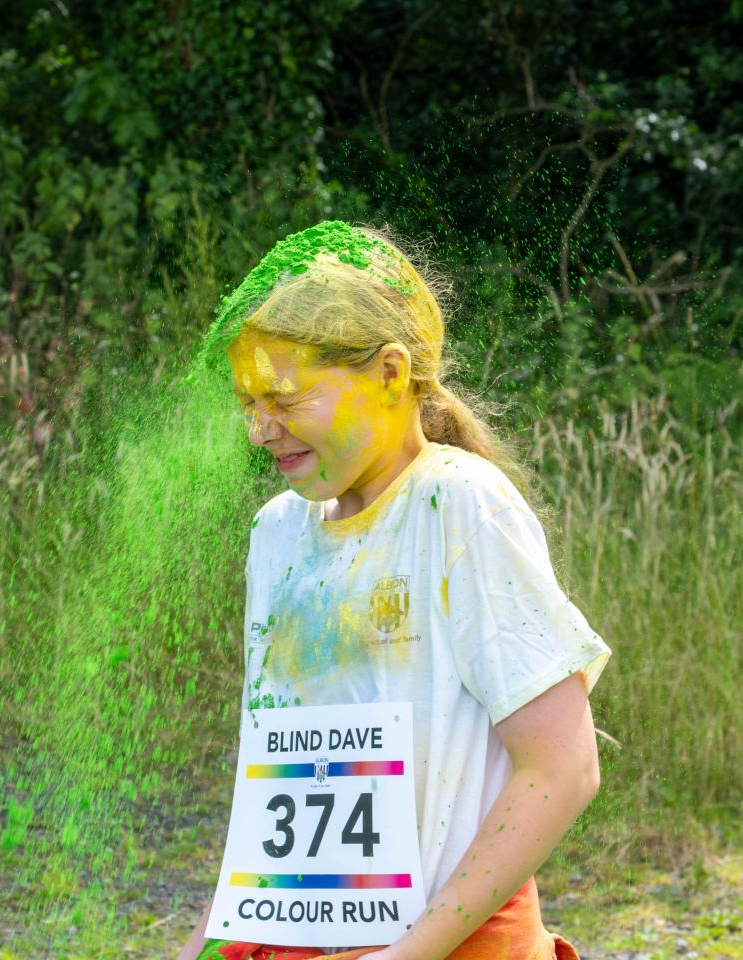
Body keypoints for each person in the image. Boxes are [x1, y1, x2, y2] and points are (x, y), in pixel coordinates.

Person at [178, 222, 610, 960]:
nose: (260, 430)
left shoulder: (461, 505)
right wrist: (209, 941)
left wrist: (407, 953)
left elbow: (562, 768)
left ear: (387, 372)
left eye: (282, 397)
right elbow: (285, 787)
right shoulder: (278, 533)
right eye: (248, 403)